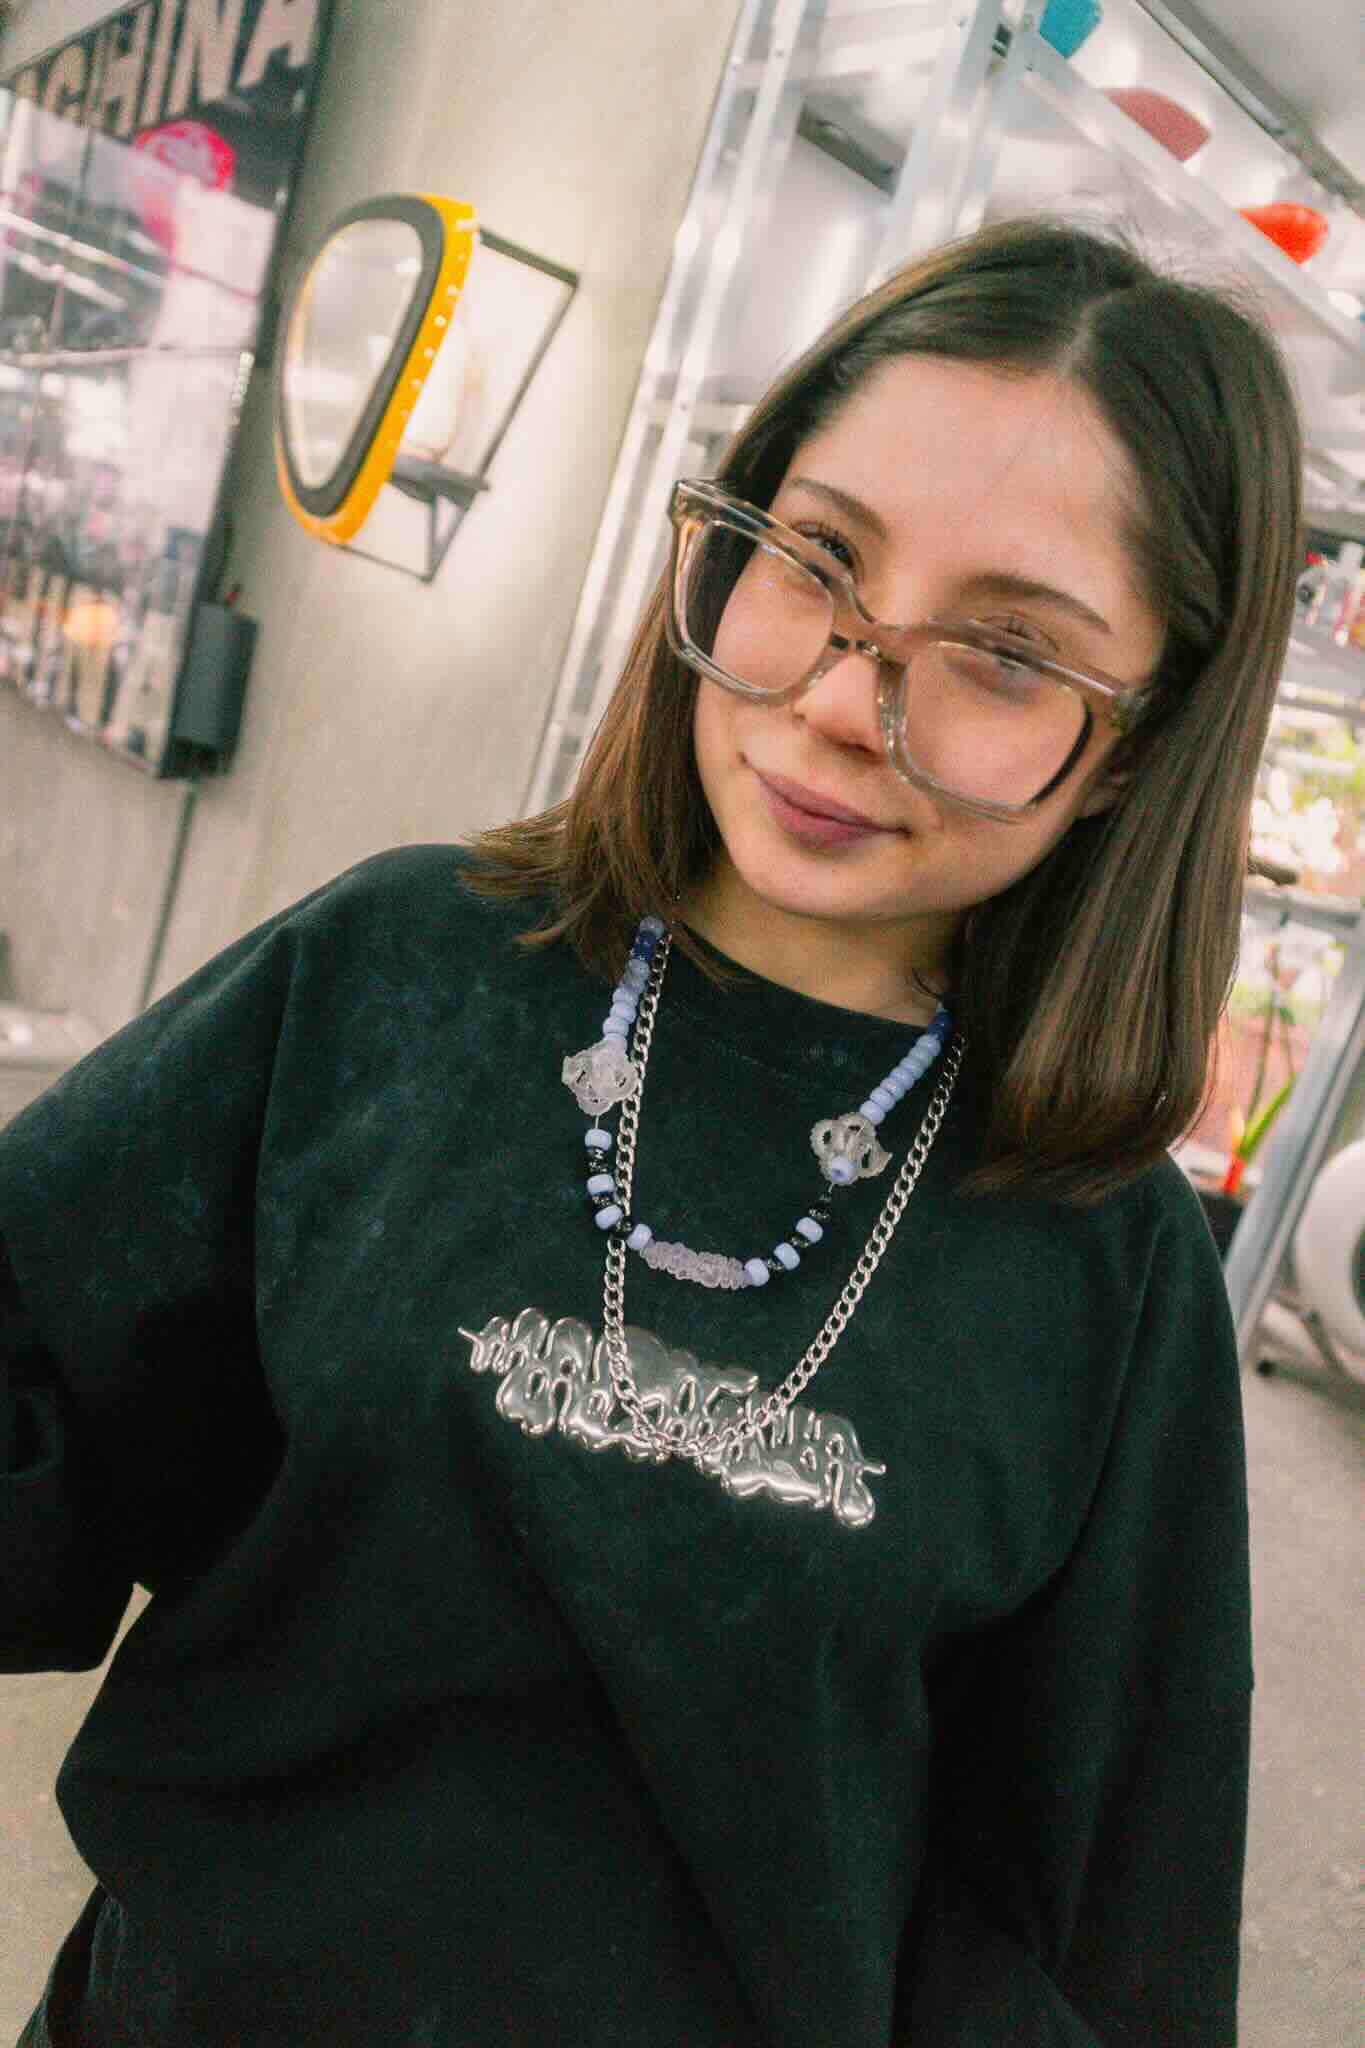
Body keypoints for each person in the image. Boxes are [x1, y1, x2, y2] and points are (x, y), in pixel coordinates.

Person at [3, 215, 1301, 2047]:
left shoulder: (1104, 1257)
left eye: (1006, 654)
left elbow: (1099, 1924)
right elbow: (44, 1424)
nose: (840, 702)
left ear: (1138, 743)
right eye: (814, 561)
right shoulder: (402, 968)